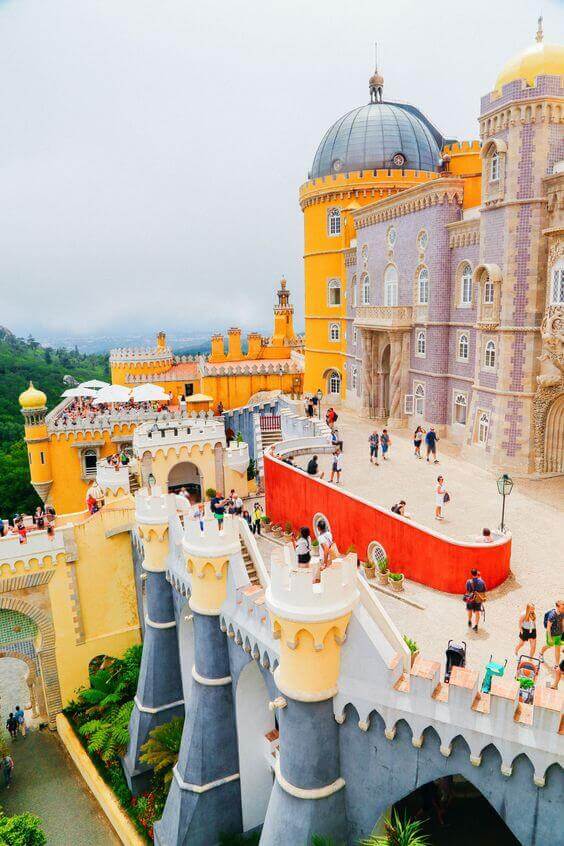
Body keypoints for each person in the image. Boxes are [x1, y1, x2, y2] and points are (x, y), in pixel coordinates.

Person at [540, 601, 564, 668]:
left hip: (559, 634)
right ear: (557, 607)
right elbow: (548, 627)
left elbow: (562, 621)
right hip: (552, 635)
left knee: (557, 649)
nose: (563, 609)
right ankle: (541, 653)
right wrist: (549, 637)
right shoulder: (552, 615)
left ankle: (556, 665)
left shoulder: (562, 613)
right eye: (562, 608)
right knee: (548, 645)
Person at [464, 568, 487, 632]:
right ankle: (476, 626)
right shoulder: (482, 582)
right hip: (478, 599)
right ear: (477, 574)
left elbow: (467, 590)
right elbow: (484, 590)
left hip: (470, 598)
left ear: (471, 574)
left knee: (470, 610)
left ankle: (469, 621)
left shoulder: (468, 581)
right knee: (477, 612)